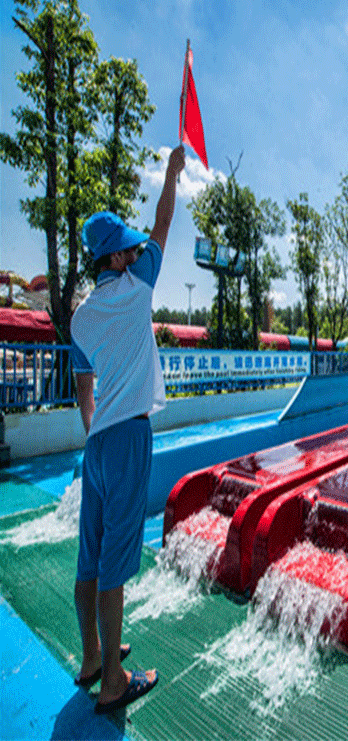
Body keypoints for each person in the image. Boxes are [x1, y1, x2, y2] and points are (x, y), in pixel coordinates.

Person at [70, 145, 185, 714]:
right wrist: (171, 173)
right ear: (117, 259)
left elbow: (82, 387)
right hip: (130, 438)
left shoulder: (80, 315)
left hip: (97, 442)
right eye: (128, 248)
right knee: (115, 562)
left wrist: (95, 431)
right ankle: (114, 681)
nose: (137, 251)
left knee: (88, 558)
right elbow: (162, 220)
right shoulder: (138, 287)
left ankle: (92, 656)